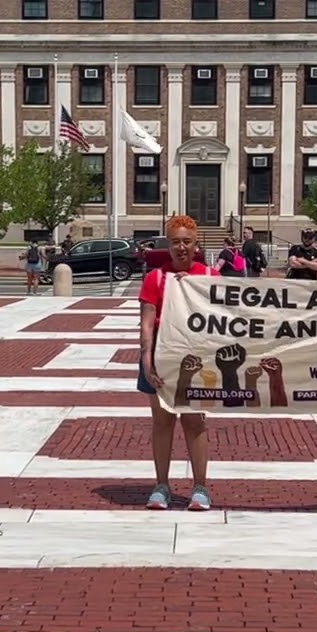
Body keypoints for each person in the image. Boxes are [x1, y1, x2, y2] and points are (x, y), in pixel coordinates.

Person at [138, 214, 219, 512]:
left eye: (187, 242)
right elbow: (147, 322)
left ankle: (201, 487)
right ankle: (161, 485)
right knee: (162, 422)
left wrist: (193, 289)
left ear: (196, 244)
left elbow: (227, 318)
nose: (181, 248)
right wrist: (146, 357)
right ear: (168, 246)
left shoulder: (210, 277)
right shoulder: (156, 278)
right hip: (160, 356)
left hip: (197, 359)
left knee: (194, 421)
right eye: (175, 242)